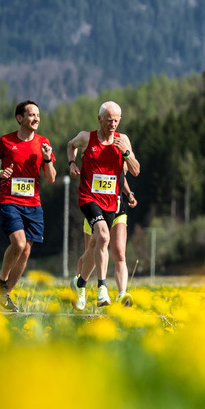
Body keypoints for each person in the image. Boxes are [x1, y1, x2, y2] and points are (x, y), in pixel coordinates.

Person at [66, 101, 140, 309]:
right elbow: (70, 145)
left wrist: (126, 153)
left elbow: (135, 170)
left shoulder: (122, 140)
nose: (113, 124)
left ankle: (79, 285)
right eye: (109, 121)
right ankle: (102, 289)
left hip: (112, 201)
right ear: (99, 120)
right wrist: (72, 163)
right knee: (104, 238)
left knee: (94, 246)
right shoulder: (86, 138)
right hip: (89, 198)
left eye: (116, 120)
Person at [0, 101, 56, 312]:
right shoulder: (6, 141)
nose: (36, 118)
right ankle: (1, 282)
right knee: (19, 242)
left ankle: (3, 297)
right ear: (20, 118)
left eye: (38, 115)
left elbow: (51, 178)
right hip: (9, 200)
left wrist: (47, 158)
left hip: (33, 204)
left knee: (25, 253)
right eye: (32, 115)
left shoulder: (44, 143)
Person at [81, 173, 138, 307]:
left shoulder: (124, 151)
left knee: (119, 252)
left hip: (117, 207)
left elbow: (130, 172)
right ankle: (80, 288)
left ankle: (122, 295)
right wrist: (72, 163)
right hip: (96, 207)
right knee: (90, 252)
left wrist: (129, 193)